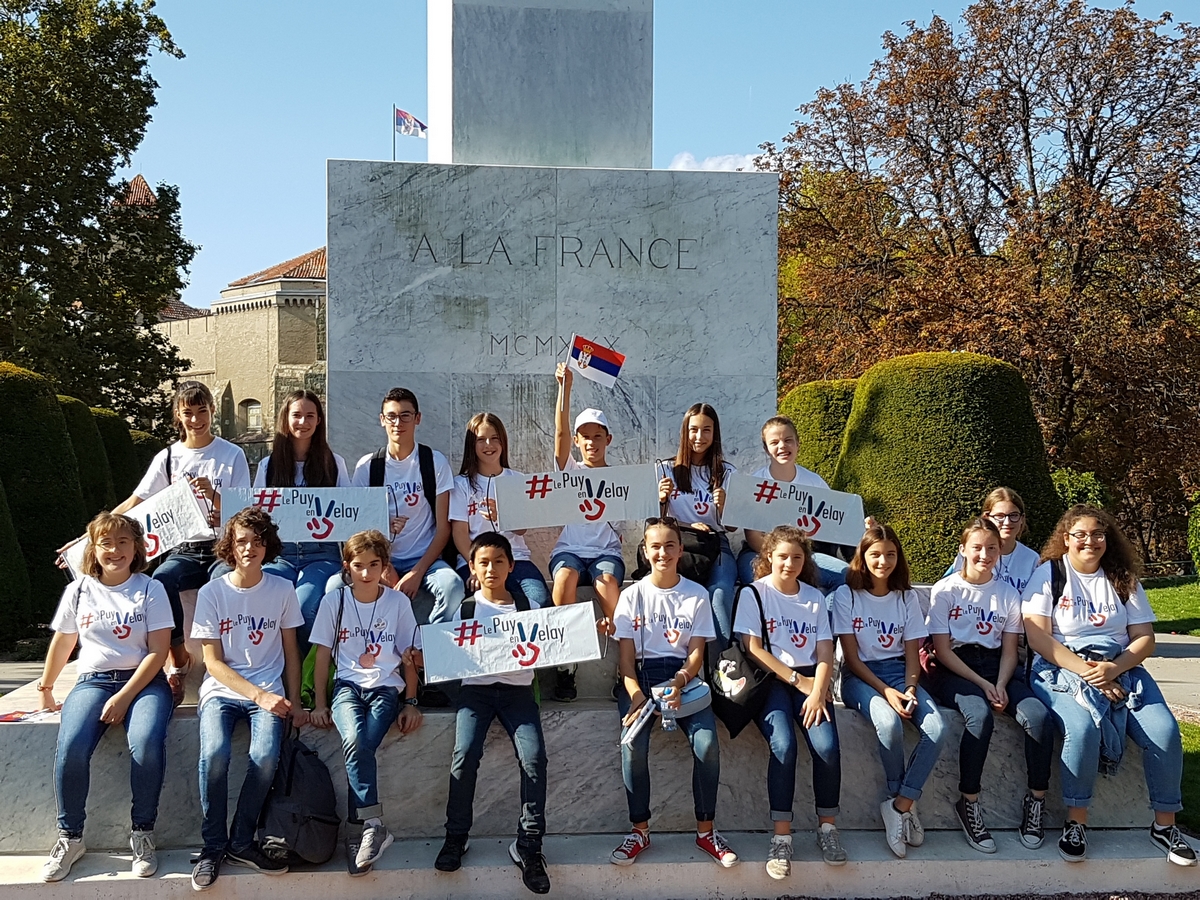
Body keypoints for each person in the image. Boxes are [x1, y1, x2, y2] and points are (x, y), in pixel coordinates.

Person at [1023, 504, 1195, 866]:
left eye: (1098, 534)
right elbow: (1038, 637)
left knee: (1164, 731)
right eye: (1081, 535)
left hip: (1120, 667)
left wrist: (1113, 669)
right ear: (1066, 539)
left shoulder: (1122, 578)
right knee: (1082, 729)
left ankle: (1165, 826)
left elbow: (1144, 638)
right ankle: (1076, 823)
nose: (1090, 541)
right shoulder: (1048, 575)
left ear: (1108, 538)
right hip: (1061, 667)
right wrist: (1091, 674)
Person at [37, 512, 175, 882]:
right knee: (71, 747)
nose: (115, 550)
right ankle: (70, 837)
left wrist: (125, 697)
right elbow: (64, 640)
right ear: (94, 549)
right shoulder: (79, 589)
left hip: (144, 683)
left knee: (145, 743)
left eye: (123, 542)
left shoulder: (151, 589)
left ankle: (143, 832)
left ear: (136, 547)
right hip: (93, 682)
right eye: (106, 543)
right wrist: (47, 687)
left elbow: (158, 652)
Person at [189, 508, 307, 891]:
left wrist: (296, 703)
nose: (249, 548)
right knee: (215, 754)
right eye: (241, 540)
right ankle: (212, 846)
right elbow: (212, 662)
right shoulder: (212, 592)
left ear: (267, 545)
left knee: (265, 757)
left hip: (269, 692)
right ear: (230, 546)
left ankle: (240, 841)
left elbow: (292, 653)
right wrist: (258, 695)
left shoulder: (282, 589)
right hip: (223, 694)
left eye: (257, 541)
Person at [111, 381, 251, 705]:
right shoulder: (169, 457)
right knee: (161, 580)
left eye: (202, 411)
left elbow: (245, 509)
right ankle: (178, 661)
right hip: (185, 549)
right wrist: (93, 530)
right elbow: (138, 499)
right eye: (188, 412)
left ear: (212, 412)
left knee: (223, 583)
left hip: (223, 548)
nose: (196, 419)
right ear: (178, 414)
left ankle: (230, 667)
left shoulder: (232, 454)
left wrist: (214, 497)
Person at [610, 518, 738, 869]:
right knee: (632, 742)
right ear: (645, 552)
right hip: (640, 679)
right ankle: (639, 830)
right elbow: (624, 664)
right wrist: (637, 697)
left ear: (681, 550)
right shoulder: (630, 596)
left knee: (707, 744)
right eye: (656, 546)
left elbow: (696, 654)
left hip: (685, 679)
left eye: (670, 545)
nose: (663, 552)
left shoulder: (697, 594)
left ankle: (706, 831)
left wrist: (679, 683)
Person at [429, 533, 551, 895]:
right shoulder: (466, 607)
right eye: (483, 561)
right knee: (463, 757)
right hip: (476, 692)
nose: (491, 568)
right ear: (472, 567)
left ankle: (529, 845)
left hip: (518, 692)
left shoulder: (526, 607)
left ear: (511, 566)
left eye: (499, 561)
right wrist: (422, 658)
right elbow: (446, 651)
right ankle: (456, 836)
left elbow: (552, 644)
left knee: (534, 759)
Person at [925, 517, 1052, 853]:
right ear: (963, 549)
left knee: (1038, 716)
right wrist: (983, 685)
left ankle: (1036, 802)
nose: (985, 554)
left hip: (998, 667)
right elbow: (941, 651)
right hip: (954, 668)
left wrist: (1000, 683)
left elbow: (1010, 650)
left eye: (992, 548)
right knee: (978, 715)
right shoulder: (946, 590)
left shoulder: (1009, 594)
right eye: (977, 548)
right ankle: (969, 802)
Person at [309, 530, 422, 876]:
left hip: (386, 688)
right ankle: (373, 824)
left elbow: (409, 657)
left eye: (374, 564)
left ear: (385, 566)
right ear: (347, 566)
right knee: (356, 742)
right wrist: (319, 703)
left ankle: (358, 834)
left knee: (360, 748)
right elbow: (323, 656)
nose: (366, 572)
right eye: (359, 565)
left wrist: (412, 701)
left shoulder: (397, 603)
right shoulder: (335, 601)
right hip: (346, 687)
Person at [736, 526, 845, 876]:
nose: (789, 563)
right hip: (773, 682)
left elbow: (825, 651)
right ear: (769, 556)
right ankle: (781, 838)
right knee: (783, 745)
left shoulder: (814, 597)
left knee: (826, 747)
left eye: (797, 557)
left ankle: (827, 827)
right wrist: (798, 681)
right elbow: (752, 648)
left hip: (811, 681)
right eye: (783, 556)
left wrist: (817, 689)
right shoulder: (754, 593)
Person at [832, 522, 945, 859]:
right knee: (889, 722)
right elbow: (851, 659)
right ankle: (901, 807)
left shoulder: (907, 597)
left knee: (938, 728)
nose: (884, 561)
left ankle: (900, 804)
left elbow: (913, 653)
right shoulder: (846, 595)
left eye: (891, 554)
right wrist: (887, 692)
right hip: (860, 678)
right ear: (862, 557)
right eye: (876, 554)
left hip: (900, 673)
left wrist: (909, 688)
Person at [237, 390, 349, 656]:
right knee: (263, 602)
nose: (303, 422)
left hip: (321, 554)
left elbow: (349, 510)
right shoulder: (268, 465)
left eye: (310, 415)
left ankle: (301, 679)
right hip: (280, 555)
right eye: (296, 415)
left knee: (304, 605)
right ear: (286, 420)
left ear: (319, 420)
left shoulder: (334, 463)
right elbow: (256, 517)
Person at [347, 388, 463, 625]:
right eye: (391, 416)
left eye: (405, 416)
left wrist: (417, 572)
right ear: (382, 420)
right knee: (335, 587)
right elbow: (357, 527)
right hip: (378, 558)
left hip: (424, 558)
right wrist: (383, 566)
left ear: (417, 418)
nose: (398, 423)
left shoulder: (434, 462)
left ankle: (430, 648)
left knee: (453, 587)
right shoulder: (368, 467)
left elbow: (443, 529)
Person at [549, 363, 626, 701]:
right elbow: (560, 435)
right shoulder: (570, 470)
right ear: (578, 441)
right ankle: (566, 667)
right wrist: (565, 389)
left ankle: (627, 667)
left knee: (607, 585)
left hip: (606, 554)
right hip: (570, 550)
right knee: (564, 580)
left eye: (598, 436)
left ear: (607, 439)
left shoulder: (622, 478)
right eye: (586, 436)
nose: (591, 442)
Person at [657, 403, 738, 651]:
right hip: (678, 544)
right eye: (693, 430)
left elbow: (733, 527)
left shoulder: (727, 472)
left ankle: (728, 663)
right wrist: (661, 501)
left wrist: (725, 507)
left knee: (719, 594)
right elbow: (653, 525)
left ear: (715, 434)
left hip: (716, 544)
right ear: (685, 431)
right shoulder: (665, 469)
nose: (699, 437)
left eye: (706, 430)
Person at [736, 416, 849, 593]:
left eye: (788, 440)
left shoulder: (814, 483)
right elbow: (753, 537)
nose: (782, 446)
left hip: (805, 555)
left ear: (798, 444)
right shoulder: (756, 483)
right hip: (759, 554)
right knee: (769, 586)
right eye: (774, 442)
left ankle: (820, 619)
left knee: (847, 577)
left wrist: (859, 524)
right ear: (766, 449)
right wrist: (782, 557)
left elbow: (834, 524)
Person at [450, 412, 549, 608]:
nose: (489, 445)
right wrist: (475, 567)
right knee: (480, 605)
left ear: (503, 442)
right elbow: (459, 533)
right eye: (481, 440)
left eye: (495, 438)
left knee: (539, 600)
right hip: (476, 562)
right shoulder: (461, 484)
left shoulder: (516, 479)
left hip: (515, 559)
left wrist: (504, 516)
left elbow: (522, 530)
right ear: (472, 445)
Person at [947, 487, 1041, 594]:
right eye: (999, 516)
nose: (1007, 522)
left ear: (1022, 519)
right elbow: (952, 589)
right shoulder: (970, 555)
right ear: (987, 518)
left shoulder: (1032, 559)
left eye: (1013, 515)